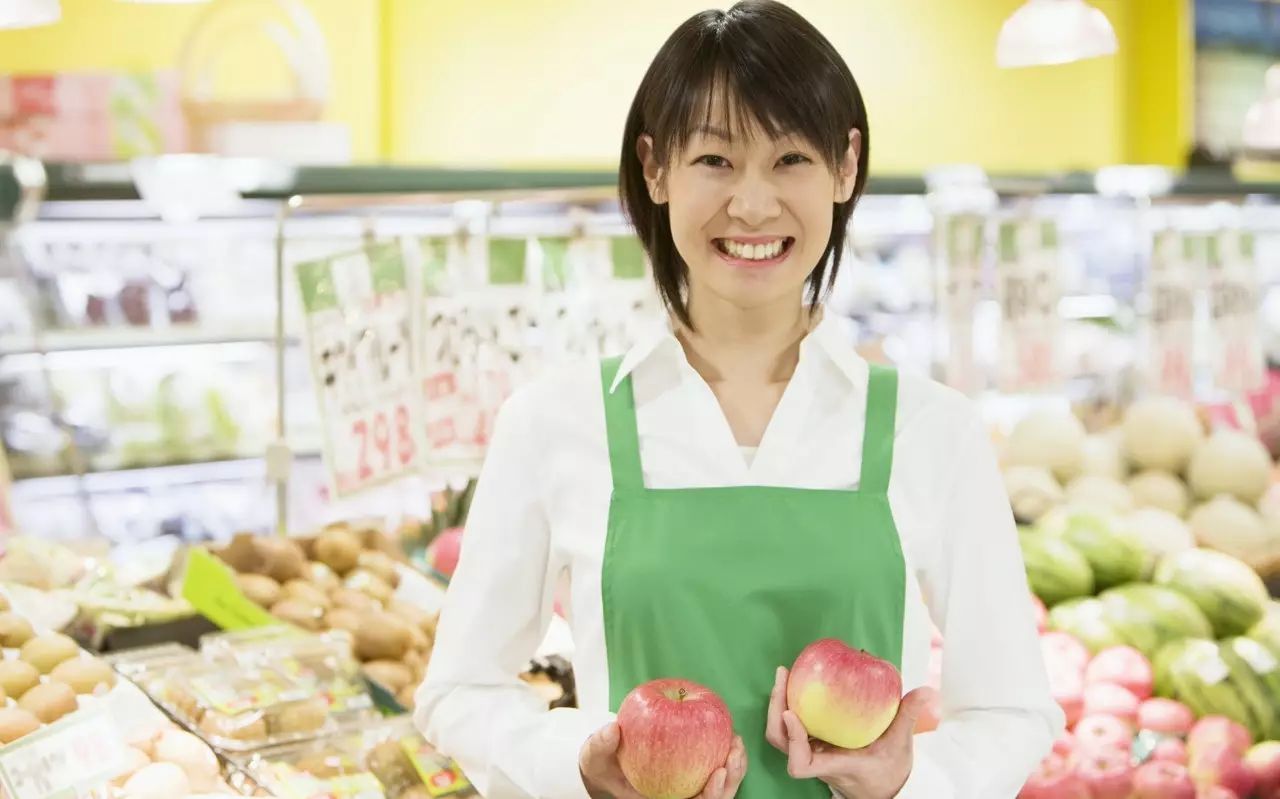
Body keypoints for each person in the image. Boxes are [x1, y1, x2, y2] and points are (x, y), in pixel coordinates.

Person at [415, 2, 1064, 797]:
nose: (753, 205)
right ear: (655, 168)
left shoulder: (936, 431)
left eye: (791, 158)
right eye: (716, 161)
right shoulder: (555, 422)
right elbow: (457, 691)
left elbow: (1012, 708)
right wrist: (579, 765)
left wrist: (909, 780)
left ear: (847, 165)